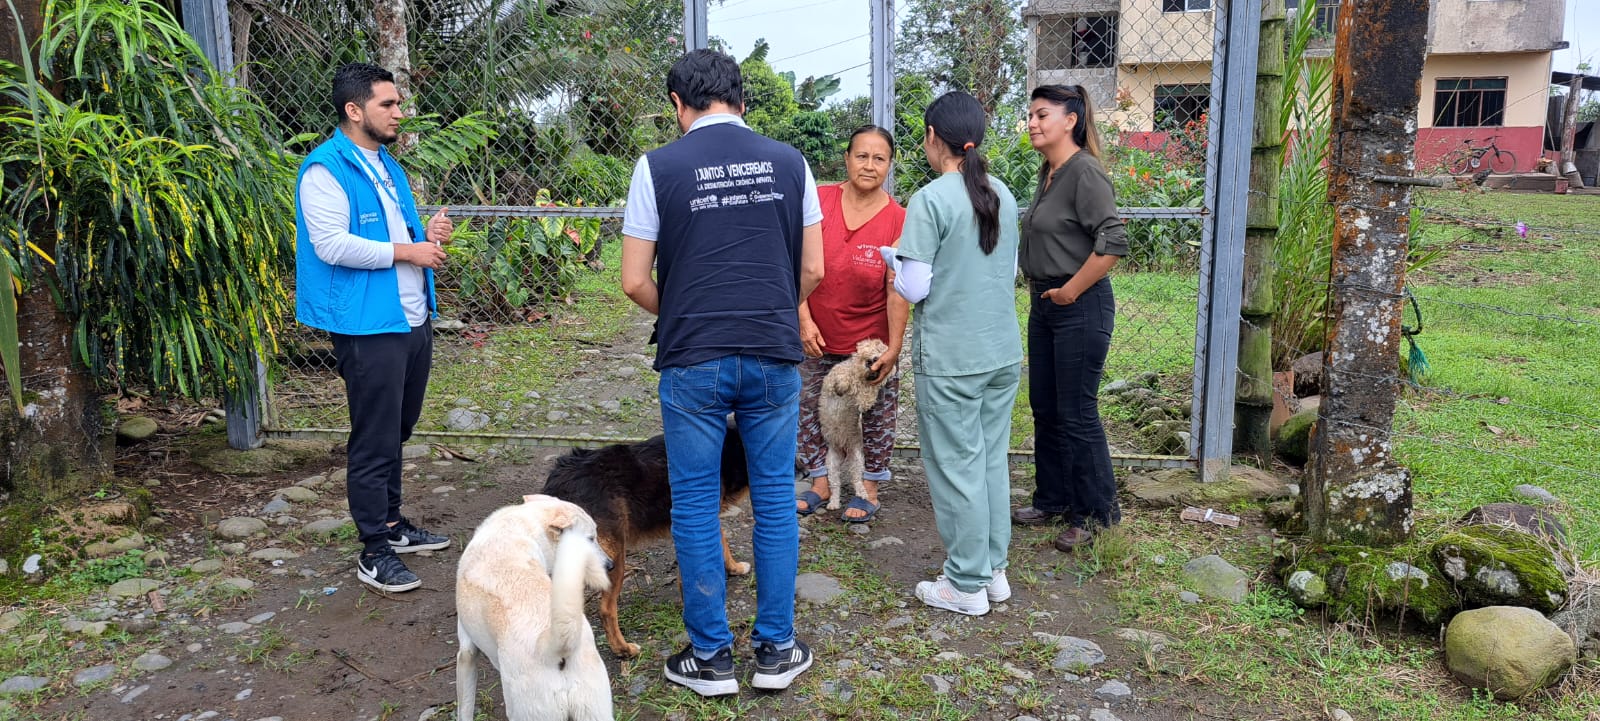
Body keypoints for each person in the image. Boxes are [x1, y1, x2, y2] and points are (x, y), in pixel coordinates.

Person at [619, 49, 824, 697]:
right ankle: (777, 648)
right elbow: (813, 270)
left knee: (695, 501)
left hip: (693, 358)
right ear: (741, 99)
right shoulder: (791, 162)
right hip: (772, 353)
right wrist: (771, 308)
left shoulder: (656, 167)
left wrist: (685, 312)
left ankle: (709, 657)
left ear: (678, 104)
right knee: (774, 498)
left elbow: (634, 280)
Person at [294, 63, 455, 593]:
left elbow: (395, 234)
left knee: (398, 429)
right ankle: (374, 550)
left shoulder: (387, 166)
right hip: (367, 325)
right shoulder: (325, 169)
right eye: (388, 104)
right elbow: (331, 245)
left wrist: (426, 233)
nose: (398, 112)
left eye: (398, 103)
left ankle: (391, 523)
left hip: (410, 316)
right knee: (373, 439)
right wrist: (410, 250)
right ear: (354, 110)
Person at [884, 91, 1022, 616]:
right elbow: (1006, 269)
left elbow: (915, 286)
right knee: (989, 460)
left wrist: (895, 265)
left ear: (931, 138)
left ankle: (965, 584)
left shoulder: (930, 199)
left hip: (952, 358)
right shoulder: (1003, 194)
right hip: (1000, 352)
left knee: (956, 467)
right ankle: (992, 571)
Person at [1009, 84, 1128, 552]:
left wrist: (1070, 291)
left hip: (1079, 303)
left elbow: (1113, 242)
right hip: (1047, 303)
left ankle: (1097, 516)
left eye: (1042, 115)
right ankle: (1053, 499)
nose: (1032, 123)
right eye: (1031, 115)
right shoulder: (1051, 173)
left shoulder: (1084, 171)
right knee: (1046, 406)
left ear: (1070, 120)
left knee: (1077, 412)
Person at [794, 125, 909, 523]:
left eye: (879, 158)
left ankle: (867, 488)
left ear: (889, 165)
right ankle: (821, 481)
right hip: (815, 333)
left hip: (869, 342)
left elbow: (897, 288)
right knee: (807, 405)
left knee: (876, 413)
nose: (869, 165)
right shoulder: (819, 201)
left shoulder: (899, 219)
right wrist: (803, 318)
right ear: (846, 159)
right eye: (861, 156)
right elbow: (794, 262)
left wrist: (893, 349)